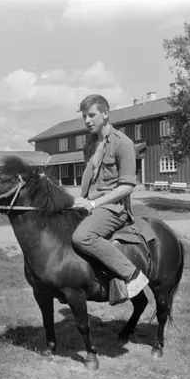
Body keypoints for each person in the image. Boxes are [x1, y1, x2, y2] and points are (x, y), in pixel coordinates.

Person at [71, 94, 149, 300]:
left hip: (114, 208)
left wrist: (93, 203)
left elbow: (127, 186)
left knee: (82, 237)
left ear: (105, 113)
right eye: (84, 116)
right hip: (91, 204)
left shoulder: (123, 143)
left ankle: (132, 275)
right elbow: (89, 179)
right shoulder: (89, 145)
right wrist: (80, 200)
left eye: (91, 115)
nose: (87, 120)